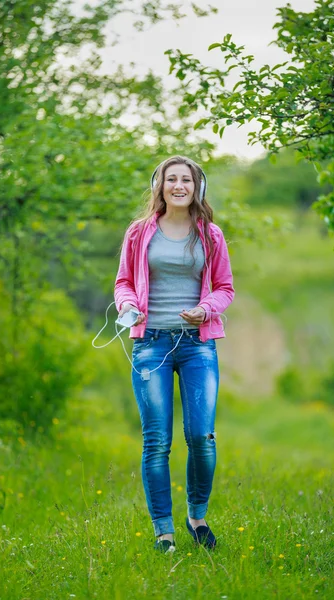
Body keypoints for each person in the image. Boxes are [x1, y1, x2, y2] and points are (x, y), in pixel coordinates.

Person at [114, 155, 235, 553]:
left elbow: (224, 288)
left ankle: (196, 517)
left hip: (198, 344)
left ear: (197, 187)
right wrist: (128, 304)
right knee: (157, 441)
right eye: (171, 179)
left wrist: (206, 309)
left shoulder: (211, 235)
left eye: (186, 179)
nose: (178, 185)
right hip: (151, 343)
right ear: (160, 186)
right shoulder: (138, 233)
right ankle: (163, 531)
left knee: (202, 436)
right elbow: (124, 282)